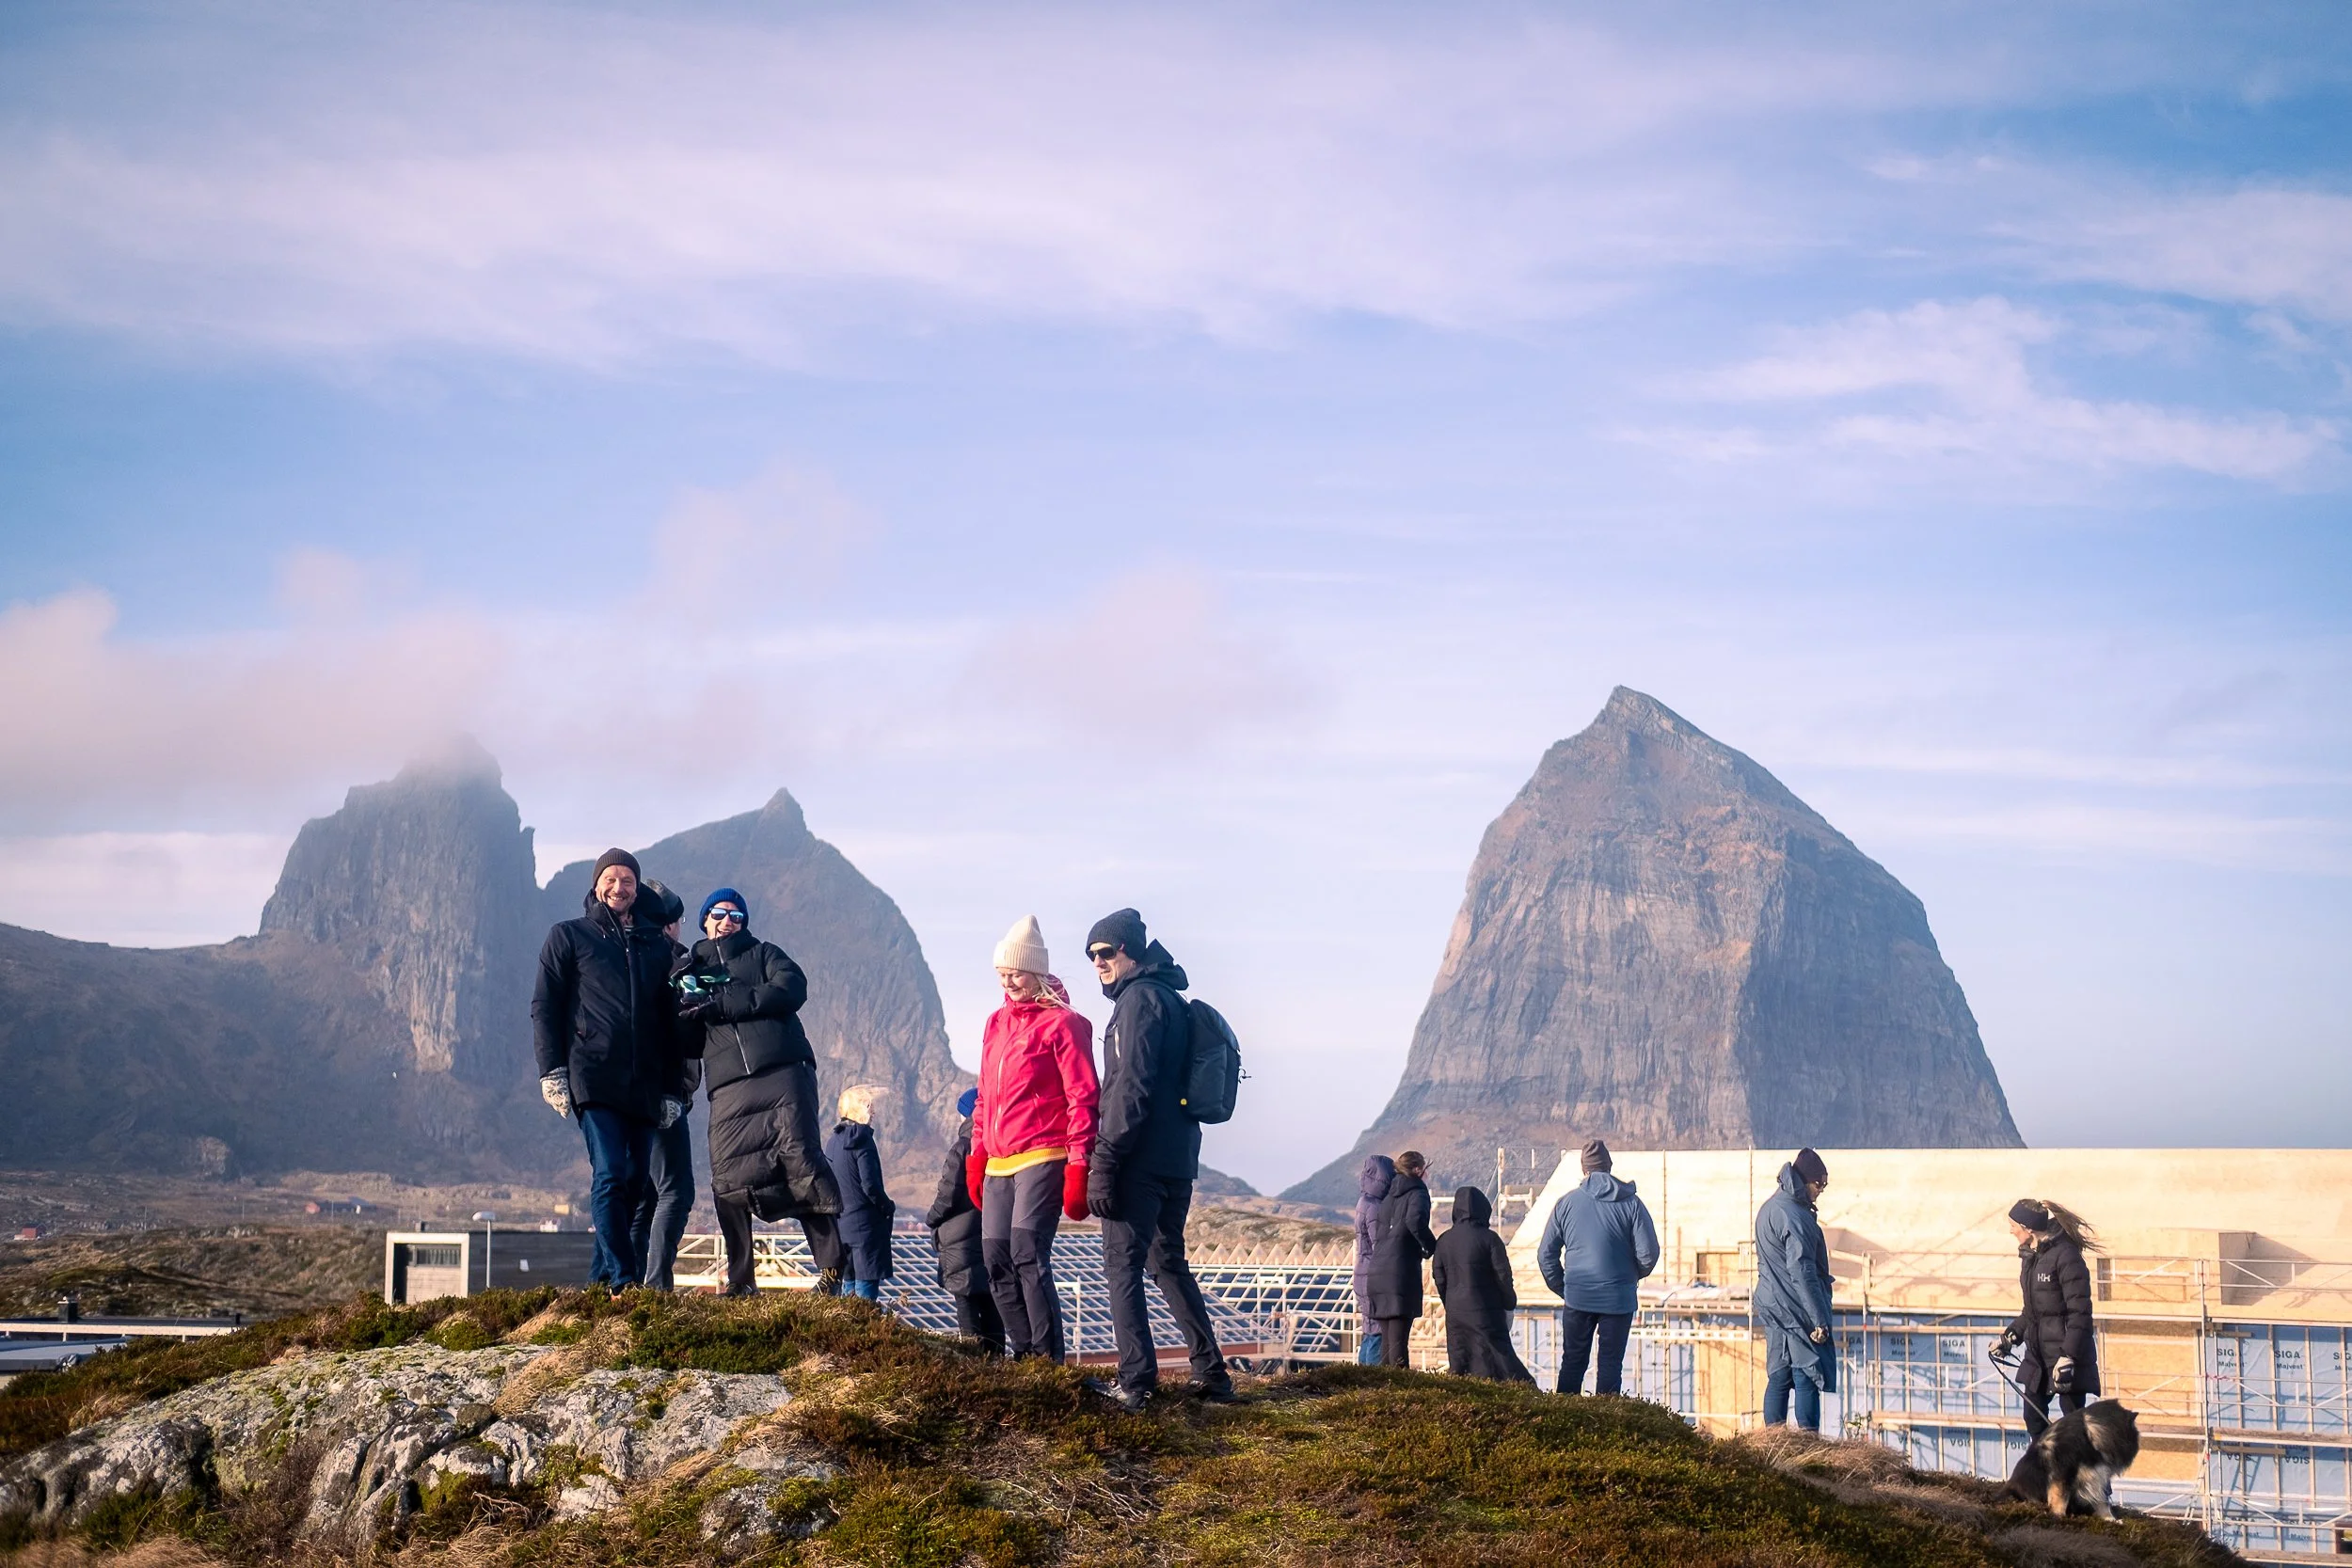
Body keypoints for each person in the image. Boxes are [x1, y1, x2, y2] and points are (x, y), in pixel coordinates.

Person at [1083, 908, 1232, 1410]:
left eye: (1106, 952)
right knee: (1167, 1262)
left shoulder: (1138, 1001)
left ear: (1130, 950)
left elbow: (1130, 1087)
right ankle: (1212, 1373)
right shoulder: (1170, 997)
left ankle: (1135, 1383)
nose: (1098, 962)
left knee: (1121, 1265)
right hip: (1178, 1158)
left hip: (1138, 1160)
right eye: (1092, 955)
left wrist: (1105, 1161)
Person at [531, 848, 690, 1290]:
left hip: (643, 1083)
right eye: (612, 879)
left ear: (638, 891)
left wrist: (671, 1091)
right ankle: (624, 1282)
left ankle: (600, 1282)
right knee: (610, 1174)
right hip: (593, 1076)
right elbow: (545, 1007)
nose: (620, 888)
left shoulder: (655, 949)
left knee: (638, 1184)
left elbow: (671, 1023)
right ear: (597, 884)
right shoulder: (568, 936)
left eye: (629, 882)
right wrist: (552, 1072)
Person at [675, 886, 843, 1298]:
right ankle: (741, 1279)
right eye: (718, 913)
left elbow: (792, 987)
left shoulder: (765, 953)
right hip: (729, 1083)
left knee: (799, 1161)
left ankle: (833, 1268)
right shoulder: (687, 969)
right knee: (727, 1179)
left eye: (736, 915)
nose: (727, 920)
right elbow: (687, 1037)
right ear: (704, 920)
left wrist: (729, 1005)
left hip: (783, 1071)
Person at [969, 915, 1098, 1362]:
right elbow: (985, 1095)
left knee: (1028, 1254)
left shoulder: (1065, 1024)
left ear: (1037, 971)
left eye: (1016, 973)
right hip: (998, 1162)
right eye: (1002, 975)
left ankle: (1048, 1360)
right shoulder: (994, 1024)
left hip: (1044, 1153)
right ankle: (1022, 1354)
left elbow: (1083, 1097)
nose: (1009, 982)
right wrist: (976, 1153)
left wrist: (1079, 1164)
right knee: (995, 1261)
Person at [1534, 1138, 1660, 1396]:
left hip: (1578, 1299)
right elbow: (1648, 1254)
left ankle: (1563, 1422)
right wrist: (1630, 1278)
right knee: (1611, 1367)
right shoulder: (1632, 1204)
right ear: (1609, 1166)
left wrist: (1566, 1288)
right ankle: (1609, 1425)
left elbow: (1545, 1255)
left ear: (1584, 1169)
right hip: (1618, 1300)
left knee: (1572, 1364)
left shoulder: (1566, 1204)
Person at [628, 880, 697, 1291]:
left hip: (628, 1092)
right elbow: (690, 1022)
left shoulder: (623, 957)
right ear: (669, 924)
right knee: (676, 1191)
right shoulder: (676, 962)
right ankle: (655, 1287)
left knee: (644, 1197)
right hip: (664, 1095)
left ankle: (625, 1285)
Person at [1996, 1198, 2102, 1440]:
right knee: (2033, 1420)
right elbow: (2032, 1312)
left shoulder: (2066, 1257)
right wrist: (2011, 1336)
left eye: (2013, 1225)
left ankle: (2089, 1477)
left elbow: (2081, 1313)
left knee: (2077, 1431)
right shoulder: (2030, 1258)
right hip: (2038, 1356)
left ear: (2028, 1227)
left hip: (2065, 1360)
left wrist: (2068, 1357)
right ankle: (2047, 1475)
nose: (2011, 1231)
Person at [1753, 1147, 1837, 1434]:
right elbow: (1802, 1271)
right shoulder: (1795, 1216)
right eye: (1819, 1185)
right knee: (1807, 1372)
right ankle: (1807, 1444)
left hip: (1771, 1303)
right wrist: (1818, 1319)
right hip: (1796, 1307)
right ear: (1805, 1181)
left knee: (1779, 1372)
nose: (1821, 1191)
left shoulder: (1771, 1207)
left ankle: (1771, 1439)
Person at [927, 1087, 1004, 1354]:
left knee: (966, 1301)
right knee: (992, 1299)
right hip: (990, 1231)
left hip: (959, 1235)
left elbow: (947, 1194)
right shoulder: (998, 1145)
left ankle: (973, 1360)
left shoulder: (961, 1147)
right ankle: (996, 1360)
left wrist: (932, 1218)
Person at [1432, 1185, 1534, 1383]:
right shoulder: (1490, 1239)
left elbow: (1440, 1279)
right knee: (1500, 1362)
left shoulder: (1444, 1241)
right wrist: (1509, 1301)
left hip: (1456, 1313)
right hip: (1487, 1310)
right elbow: (1503, 1275)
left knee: (1462, 1362)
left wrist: (1450, 1303)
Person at [1367, 1149, 1438, 1370]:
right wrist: (1431, 1247)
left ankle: (1384, 1391)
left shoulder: (1388, 1197)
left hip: (1378, 1272)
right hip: (1400, 1273)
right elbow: (1415, 1222)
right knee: (1398, 1343)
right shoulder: (1418, 1193)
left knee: (1388, 1341)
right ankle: (1397, 1393)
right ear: (1418, 1170)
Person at [825, 1085, 895, 1300]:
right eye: (869, 1107)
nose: (873, 1113)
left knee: (849, 1283)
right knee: (865, 1290)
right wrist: (887, 1205)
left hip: (842, 1224)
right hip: (866, 1226)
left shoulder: (832, 1141)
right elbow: (870, 1185)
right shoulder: (862, 1140)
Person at [1353, 1154, 1395, 1365]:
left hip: (1362, 1273)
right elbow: (1380, 1244)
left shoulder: (1363, 1201)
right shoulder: (1376, 1207)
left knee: (1369, 1330)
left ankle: (1360, 1378)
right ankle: (1372, 1381)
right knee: (1378, 1332)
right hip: (1373, 1275)